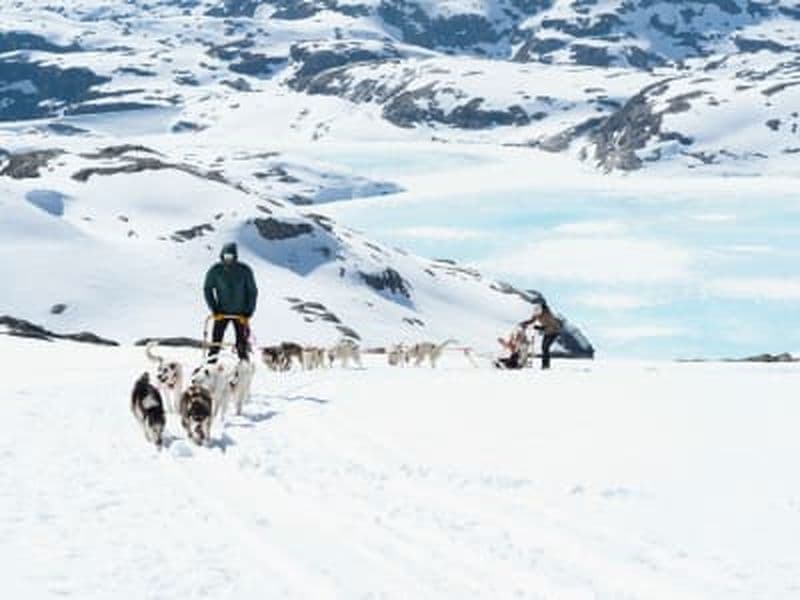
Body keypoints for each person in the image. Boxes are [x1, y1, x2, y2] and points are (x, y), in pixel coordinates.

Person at [203, 242, 258, 362]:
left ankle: (244, 366)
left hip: (240, 314)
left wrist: (248, 312)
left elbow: (252, 291)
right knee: (216, 343)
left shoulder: (244, 270)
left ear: (235, 256)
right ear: (222, 255)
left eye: (231, 256)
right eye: (226, 256)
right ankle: (210, 365)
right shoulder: (215, 270)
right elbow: (208, 289)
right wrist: (214, 309)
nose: (228, 259)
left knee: (241, 345)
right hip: (221, 313)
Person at [520, 301, 561, 370]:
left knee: (545, 347)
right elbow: (532, 320)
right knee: (544, 348)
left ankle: (546, 365)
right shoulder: (537, 314)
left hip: (554, 332)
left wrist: (540, 328)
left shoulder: (548, 315)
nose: (537, 316)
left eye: (538, 314)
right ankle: (545, 365)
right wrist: (525, 323)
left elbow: (552, 326)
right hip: (547, 332)